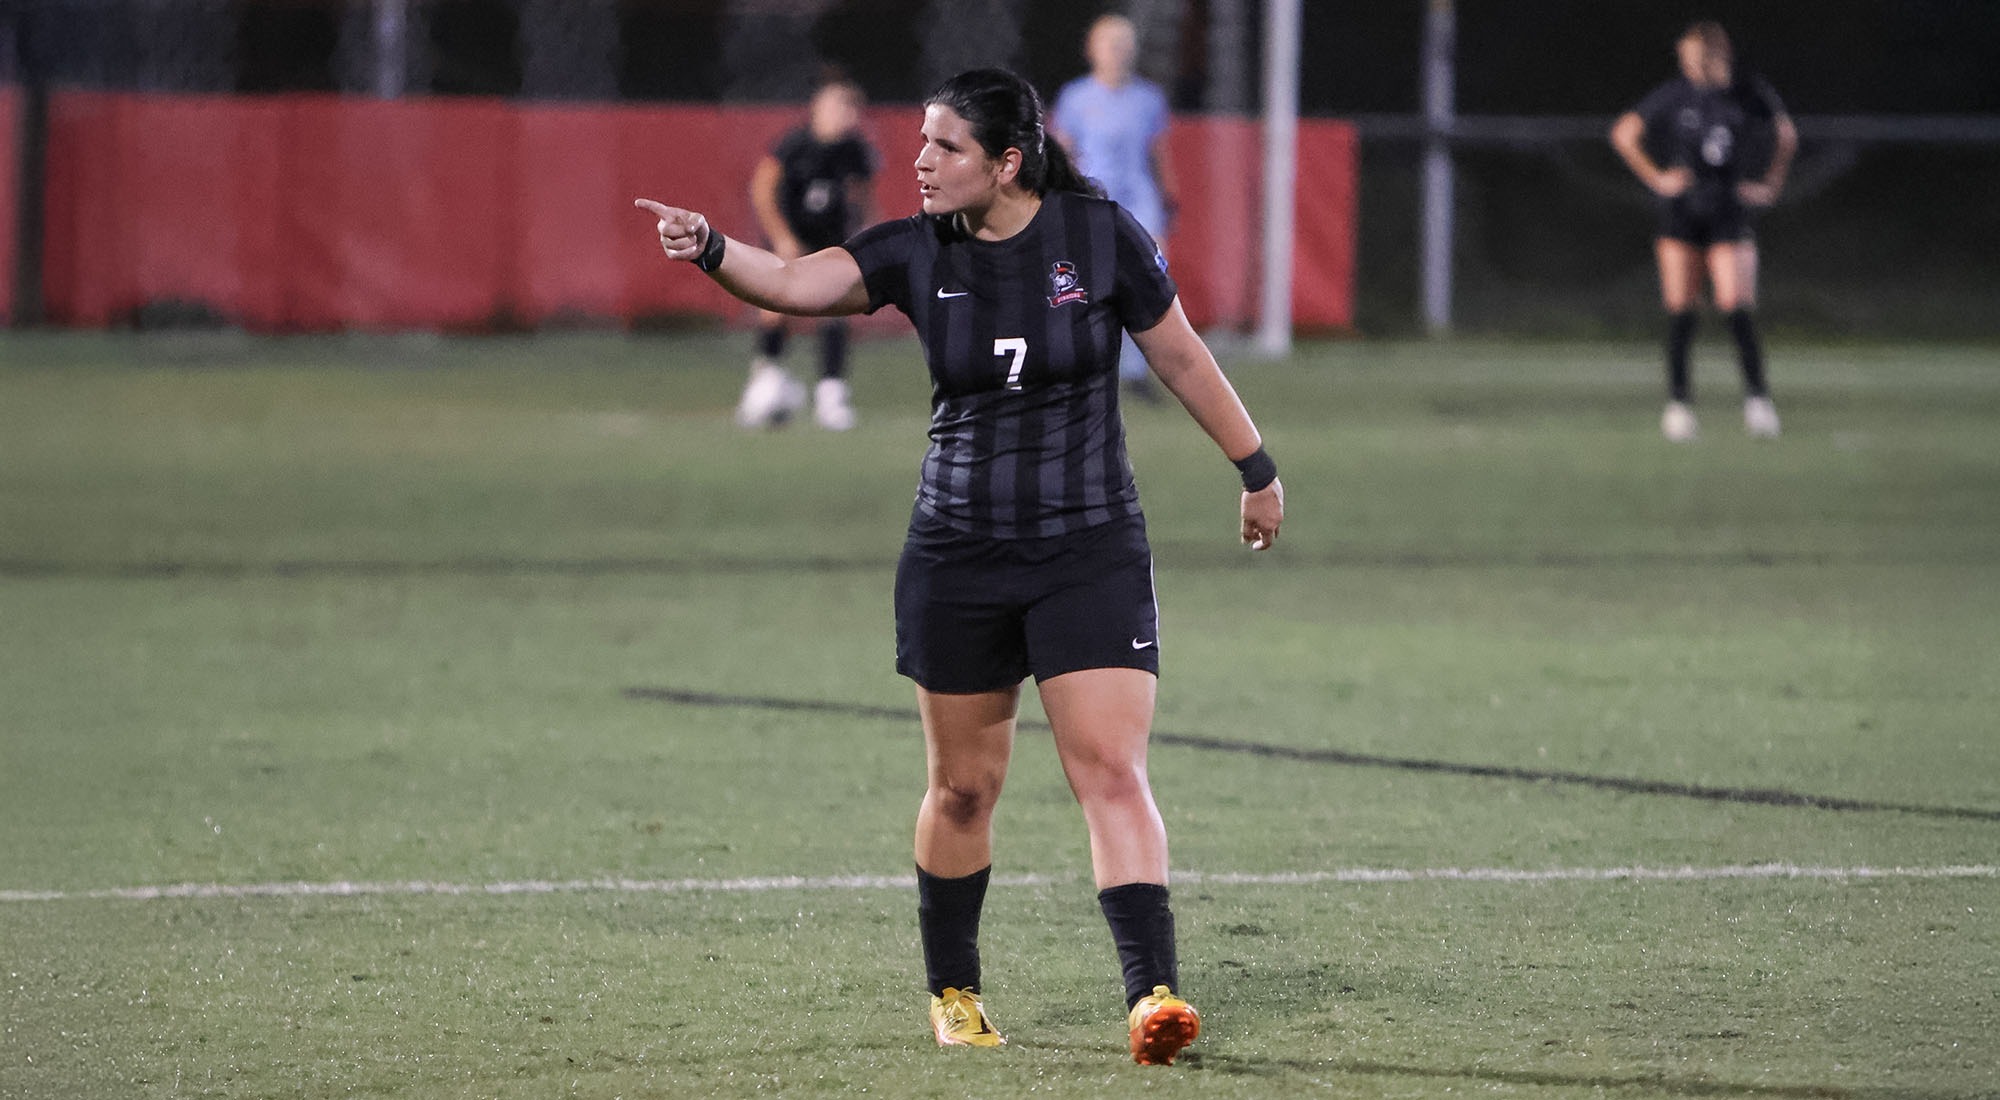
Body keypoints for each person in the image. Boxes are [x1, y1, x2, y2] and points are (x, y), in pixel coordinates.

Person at [634, 67, 1283, 1066]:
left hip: (1087, 545)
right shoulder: (912, 248)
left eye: (944, 147)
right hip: (958, 552)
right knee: (964, 787)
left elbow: (1182, 356)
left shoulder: (1099, 235)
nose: (920, 162)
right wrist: (713, 249)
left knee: (1109, 768)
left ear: (1006, 161)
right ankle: (953, 989)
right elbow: (800, 284)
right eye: (922, 142)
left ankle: (1152, 991)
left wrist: (1253, 466)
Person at [1611, 20, 1797, 442]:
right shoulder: (1675, 95)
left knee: (1735, 303)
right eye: (1685, 60)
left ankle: (1758, 402)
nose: (1688, 67)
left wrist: (1770, 184)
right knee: (1681, 309)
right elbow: (1624, 134)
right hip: (1681, 214)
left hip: (1728, 211)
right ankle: (1679, 406)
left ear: (1719, 56)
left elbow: (1785, 136)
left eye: (1695, 59)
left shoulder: (1749, 92)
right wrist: (1656, 178)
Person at [736, 74, 878, 430]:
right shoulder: (795, 145)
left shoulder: (855, 150)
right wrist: (781, 237)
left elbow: (862, 196)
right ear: (817, 108)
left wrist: (861, 237)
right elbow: (762, 188)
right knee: (774, 307)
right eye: (836, 107)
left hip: (830, 240)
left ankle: (831, 395)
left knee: (835, 308)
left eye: (849, 109)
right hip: (791, 236)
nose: (843, 116)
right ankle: (765, 382)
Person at [1051, 13, 1178, 404]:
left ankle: (1140, 371)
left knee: (1150, 280)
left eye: (1124, 44)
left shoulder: (1148, 98)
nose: (1118, 52)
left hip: (1139, 200)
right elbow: (1063, 152)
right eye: (1109, 44)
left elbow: (1158, 154)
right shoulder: (1075, 97)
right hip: (1095, 201)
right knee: (1087, 283)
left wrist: (1169, 195)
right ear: (1092, 49)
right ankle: (1086, 365)